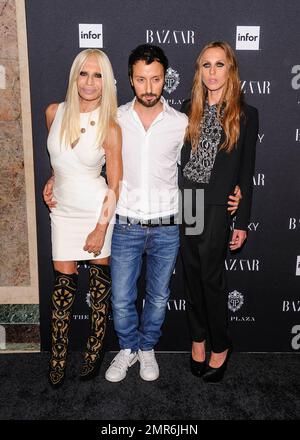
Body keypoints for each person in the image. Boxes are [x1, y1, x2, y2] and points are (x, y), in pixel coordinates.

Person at [104, 44, 241, 383]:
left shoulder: (182, 121)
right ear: (131, 80)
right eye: (141, 79)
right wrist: (55, 179)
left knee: (160, 296)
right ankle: (127, 349)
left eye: (155, 79)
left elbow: (213, 161)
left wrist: (237, 192)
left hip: (169, 223)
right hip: (126, 222)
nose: (148, 87)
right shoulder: (116, 118)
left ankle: (148, 348)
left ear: (165, 79)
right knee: (121, 298)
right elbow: (88, 154)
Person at [179, 41, 258, 382]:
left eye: (219, 64)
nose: (212, 71)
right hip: (188, 202)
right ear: (199, 71)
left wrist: (242, 219)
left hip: (216, 205)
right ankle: (198, 338)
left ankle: (221, 345)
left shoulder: (244, 113)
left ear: (230, 69)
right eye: (206, 65)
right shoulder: (187, 109)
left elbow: (246, 171)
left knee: (211, 278)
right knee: (193, 276)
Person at [43, 48, 122, 387]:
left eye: (98, 75)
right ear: (75, 76)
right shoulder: (53, 112)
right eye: (84, 73)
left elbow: (116, 183)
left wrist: (101, 227)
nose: (89, 82)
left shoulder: (111, 126)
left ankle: (95, 347)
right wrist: (51, 180)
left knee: (97, 290)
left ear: (106, 82)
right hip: (62, 210)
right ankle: (58, 354)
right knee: (63, 286)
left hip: (95, 209)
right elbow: (60, 161)